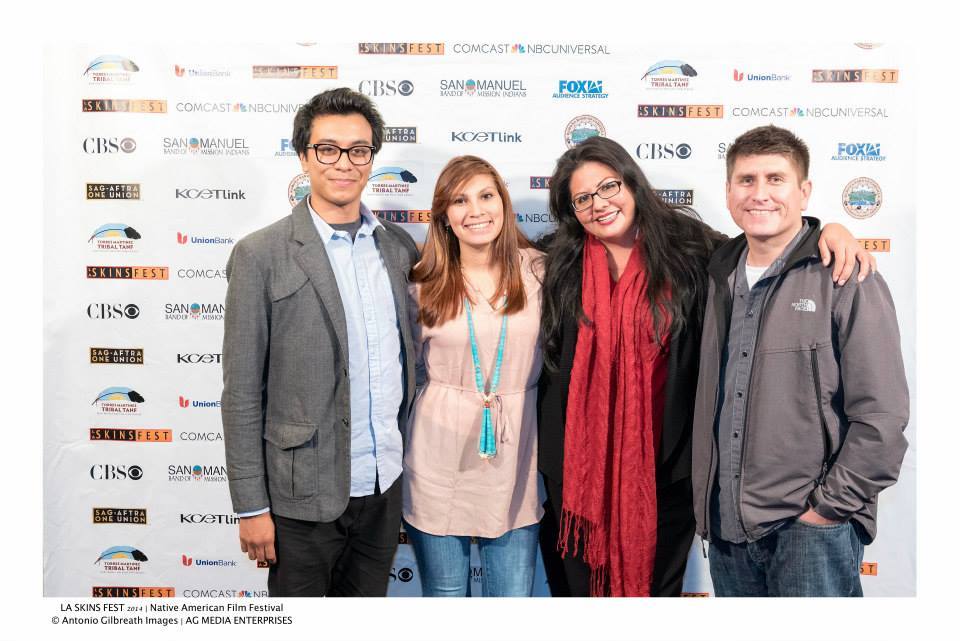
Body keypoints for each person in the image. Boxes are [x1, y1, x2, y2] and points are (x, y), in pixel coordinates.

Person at [536, 136, 875, 597]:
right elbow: (490, 256)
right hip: (578, 476)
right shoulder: (557, 262)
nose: (600, 203)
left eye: (609, 186)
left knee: (658, 588)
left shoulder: (695, 252)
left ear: (633, 183)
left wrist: (828, 231)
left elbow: (769, 241)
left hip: (668, 469)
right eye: (583, 198)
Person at [690, 125, 908, 597]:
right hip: (728, 530)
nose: (760, 194)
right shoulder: (715, 272)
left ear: (804, 191)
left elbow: (883, 417)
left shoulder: (847, 276)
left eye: (776, 179)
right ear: (728, 192)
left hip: (809, 531)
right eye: (747, 180)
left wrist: (826, 511)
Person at [220, 88, 419, 597]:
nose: (344, 162)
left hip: (382, 486)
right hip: (299, 497)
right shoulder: (260, 255)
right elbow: (242, 392)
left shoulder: (397, 248)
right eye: (328, 148)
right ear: (305, 155)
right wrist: (250, 506)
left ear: (372, 157)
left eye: (359, 150)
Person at [402, 156, 545, 596]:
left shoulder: (540, 271)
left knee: (511, 598)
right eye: (460, 200)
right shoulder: (422, 284)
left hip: (517, 453)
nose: (476, 210)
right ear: (444, 215)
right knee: (446, 599)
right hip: (436, 453)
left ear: (502, 202)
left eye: (486, 196)